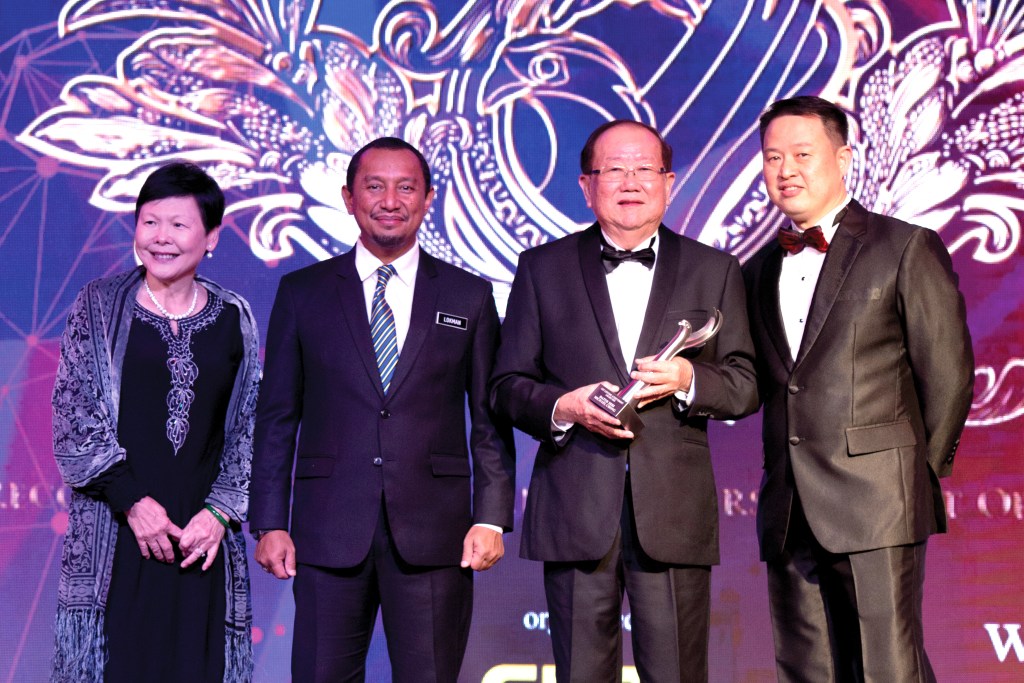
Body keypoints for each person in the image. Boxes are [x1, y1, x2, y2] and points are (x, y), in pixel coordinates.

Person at [490, 120, 758, 682]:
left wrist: (688, 378)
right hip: (575, 507)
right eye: (614, 169)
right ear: (586, 186)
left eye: (644, 169)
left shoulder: (715, 269)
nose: (630, 182)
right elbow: (507, 385)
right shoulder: (542, 268)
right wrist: (564, 407)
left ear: (669, 183)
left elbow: (744, 384)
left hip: (673, 512)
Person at [249, 137, 515, 682]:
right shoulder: (303, 292)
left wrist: (490, 516)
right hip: (327, 529)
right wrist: (270, 521)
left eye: (406, 188)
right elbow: (277, 419)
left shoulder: (468, 294)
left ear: (428, 198)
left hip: (437, 533)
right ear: (349, 198)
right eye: (374, 187)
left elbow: (490, 421)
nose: (390, 201)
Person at [743, 95, 974, 682]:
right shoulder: (756, 269)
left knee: (886, 668)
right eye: (773, 157)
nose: (786, 170)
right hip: (789, 506)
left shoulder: (903, 246)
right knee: (807, 670)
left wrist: (909, 480)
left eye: (802, 154)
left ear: (843, 159)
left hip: (878, 503)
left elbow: (948, 375)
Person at [50, 161, 260, 683]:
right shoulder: (98, 305)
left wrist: (219, 513)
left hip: (201, 541)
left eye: (179, 224)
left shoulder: (234, 316)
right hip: (117, 533)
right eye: (150, 222)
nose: (161, 237)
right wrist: (133, 502)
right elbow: (74, 417)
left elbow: (249, 427)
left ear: (211, 237)